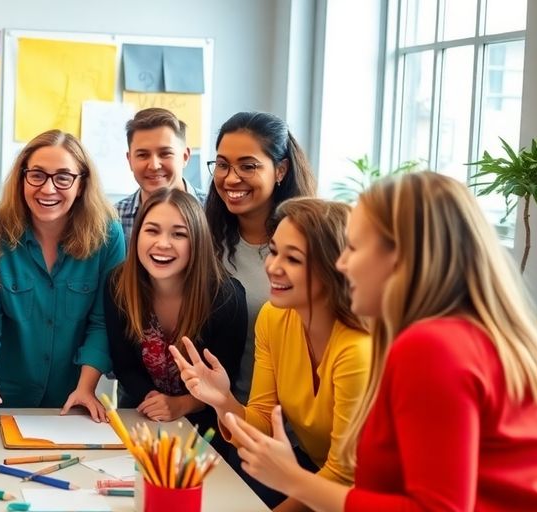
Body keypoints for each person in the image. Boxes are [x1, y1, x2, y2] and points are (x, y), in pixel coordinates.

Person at [221, 172, 537, 511]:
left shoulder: (432, 347)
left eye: (354, 247)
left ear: (400, 259)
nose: (342, 263)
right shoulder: (457, 337)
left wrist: (294, 480)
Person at [172, 198, 370, 510]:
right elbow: (261, 422)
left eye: (293, 259)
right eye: (274, 251)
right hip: (315, 476)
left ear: (336, 267)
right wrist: (222, 400)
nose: (273, 267)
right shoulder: (274, 317)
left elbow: (344, 477)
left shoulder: (357, 350)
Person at [0, 129, 125, 420]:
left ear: (81, 183)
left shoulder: (107, 234)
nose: (48, 189)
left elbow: (103, 322)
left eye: (63, 177)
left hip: (71, 400)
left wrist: (86, 388)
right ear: (22, 177)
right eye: (37, 175)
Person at [105, 187, 246, 431]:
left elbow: (226, 379)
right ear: (137, 235)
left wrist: (182, 404)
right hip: (141, 412)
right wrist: (154, 400)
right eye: (152, 231)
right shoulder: (117, 284)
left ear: (198, 242)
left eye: (179, 234)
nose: (163, 243)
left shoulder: (227, 297)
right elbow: (124, 364)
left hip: (205, 425)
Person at [206, 111, 316, 403]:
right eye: (222, 165)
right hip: (221, 417)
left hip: (293, 428)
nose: (231, 178)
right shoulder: (206, 241)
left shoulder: (308, 246)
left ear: (280, 170)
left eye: (248, 166)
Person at [115, 108, 205, 245]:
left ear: (185, 156)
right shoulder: (114, 219)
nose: (154, 165)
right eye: (143, 155)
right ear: (130, 160)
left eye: (165, 154)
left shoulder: (214, 210)